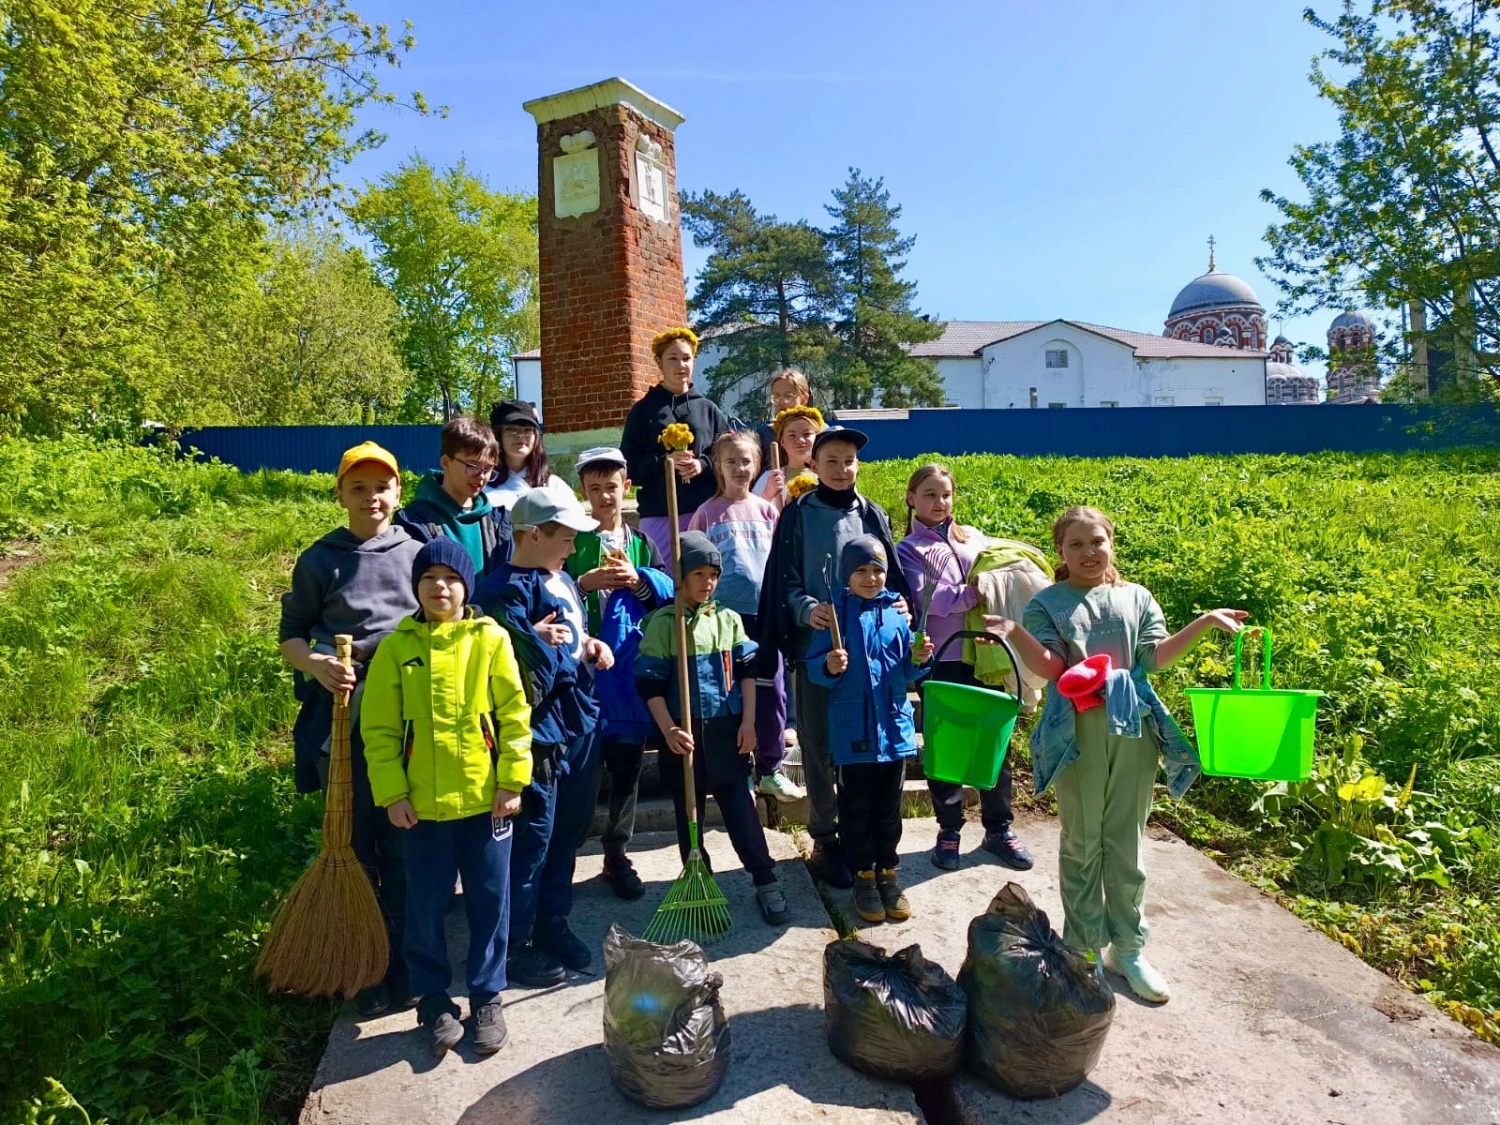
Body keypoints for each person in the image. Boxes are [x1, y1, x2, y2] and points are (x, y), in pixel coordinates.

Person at [989, 506, 1246, 1004]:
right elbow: (1051, 667)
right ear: (1061, 553)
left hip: (1134, 730)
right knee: (1083, 843)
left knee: (1126, 844)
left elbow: (1152, 658)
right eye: (1076, 545)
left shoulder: (1136, 597)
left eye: (1097, 542)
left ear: (1112, 543)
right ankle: (1083, 948)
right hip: (1076, 733)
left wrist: (1203, 623)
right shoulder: (1049, 602)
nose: (1089, 552)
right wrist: (1015, 633)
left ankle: (1127, 949)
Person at [361, 539, 533, 1059]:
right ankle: (433, 1000)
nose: (441, 586)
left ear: (467, 587)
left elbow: (513, 713)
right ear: (416, 587)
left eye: (452, 578)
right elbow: (381, 728)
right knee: (425, 904)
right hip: (422, 808)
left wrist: (511, 780)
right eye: (430, 577)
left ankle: (486, 995)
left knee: (489, 900)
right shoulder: (397, 647)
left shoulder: (490, 639)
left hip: (487, 802)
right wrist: (392, 792)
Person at [278, 441, 422, 1017]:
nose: (371, 498)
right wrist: (315, 663)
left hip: (409, 719)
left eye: (381, 486)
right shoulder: (321, 560)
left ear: (397, 492)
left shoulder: (416, 553)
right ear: (340, 494)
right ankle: (364, 963)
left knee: (405, 845)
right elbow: (291, 636)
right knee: (356, 841)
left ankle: (407, 963)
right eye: (357, 488)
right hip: (345, 719)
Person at [757, 426, 911, 890]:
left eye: (849, 461)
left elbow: (891, 577)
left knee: (866, 752)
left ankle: (864, 843)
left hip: (870, 662)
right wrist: (807, 609)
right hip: (819, 653)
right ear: (813, 465)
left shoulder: (873, 514)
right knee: (822, 750)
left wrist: (900, 605)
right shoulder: (799, 514)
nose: (841, 470)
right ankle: (826, 837)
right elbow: (783, 581)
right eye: (831, 461)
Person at [473, 489, 612, 985]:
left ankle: (554, 920)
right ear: (533, 534)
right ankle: (517, 941)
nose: (573, 548)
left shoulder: (564, 579)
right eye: (566, 538)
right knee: (532, 839)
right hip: (536, 736)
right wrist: (537, 642)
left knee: (567, 833)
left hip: (577, 724)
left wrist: (588, 644)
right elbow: (520, 669)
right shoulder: (497, 592)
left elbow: (564, 641)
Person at [636, 531, 790, 926]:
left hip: (726, 730)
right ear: (680, 576)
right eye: (698, 573)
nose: (707, 582)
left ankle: (765, 878)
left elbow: (749, 674)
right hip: (682, 738)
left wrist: (750, 724)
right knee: (689, 814)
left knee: (741, 808)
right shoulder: (662, 624)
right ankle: (697, 878)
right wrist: (669, 730)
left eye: (713, 574)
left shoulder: (728, 620)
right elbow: (650, 685)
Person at [895, 463, 1034, 872]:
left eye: (946, 495)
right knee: (947, 750)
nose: (940, 503)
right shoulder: (908, 550)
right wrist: (974, 593)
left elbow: (1004, 572)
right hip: (944, 658)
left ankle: (998, 829)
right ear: (911, 499)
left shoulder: (973, 538)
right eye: (930, 495)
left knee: (995, 743)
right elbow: (927, 601)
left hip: (988, 656)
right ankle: (949, 830)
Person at [564, 446, 673, 900]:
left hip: (628, 671)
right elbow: (548, 587)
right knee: (581, 773)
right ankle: (563, 857)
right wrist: (582, 584)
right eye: (595, 489)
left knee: (627, 771)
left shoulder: (642, 542)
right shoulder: (573, 538)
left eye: (612, 487)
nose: (604, 496)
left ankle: (616, 852)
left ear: (626, 487)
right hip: (584, 672)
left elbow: (668, 597)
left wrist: (640, 578)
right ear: (583, 493)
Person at [806, 536, 933, 923]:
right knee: (856, 808)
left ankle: (888, 873)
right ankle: (863, 873)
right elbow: (812, 666)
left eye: (877, 569)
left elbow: (906, 671)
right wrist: (828, 664)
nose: (871, 577)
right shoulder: (834, 615)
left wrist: (920, 658)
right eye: (861, 570)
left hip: (892, 733)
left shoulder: (896, 613)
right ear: (847, 575)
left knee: (889, 810)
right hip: (853, 734)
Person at [689, 431, 804, 802]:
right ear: (718, 467)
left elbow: (784, 559)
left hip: (765, 614)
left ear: (757, 466)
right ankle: (739, 771)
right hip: (725, 619)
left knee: (772, 691)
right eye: (731, 461)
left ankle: (770, 767)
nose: (740, 468)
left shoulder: (767, 509)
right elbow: (694, 564)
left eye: (746, 461)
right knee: (734, 694)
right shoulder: (707, 513)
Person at [620, 327, 729, 559]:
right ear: (659, 362)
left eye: (686, 358)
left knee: (705, 578)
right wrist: (664, 462)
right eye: (673, 358)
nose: (681, 365)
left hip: (704, 509)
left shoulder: (709, 409)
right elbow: (628, 467)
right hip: (660, 512)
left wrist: (703, 464)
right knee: (665, 582)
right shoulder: (643, 411)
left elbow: (728, 455)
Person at [396, 415, 512, 578]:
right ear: (446, 463)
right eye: (472, 466)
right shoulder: (414, 521)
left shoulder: (498, 523)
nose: (481, 476)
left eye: (488, 468)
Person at [483, 399, 569, 512]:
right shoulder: (481, 485)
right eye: (511, 429)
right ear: (496, 435)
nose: (520, 435)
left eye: (527, 430)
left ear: (536, 436)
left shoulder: (553, 485)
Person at [755, 405, 823, 510]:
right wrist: (767, 495)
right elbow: (752, 512)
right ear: (782, 442)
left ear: (817, 438)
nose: (800, 440)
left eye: (806, 434)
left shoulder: (827, 475)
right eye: (792, 435)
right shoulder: (770, 478)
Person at [754, 368, 814, 471]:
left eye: (788, 396)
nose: (782, 401)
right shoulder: (763, 435)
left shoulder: (819, 431)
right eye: (776, 396)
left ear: (804, 398)